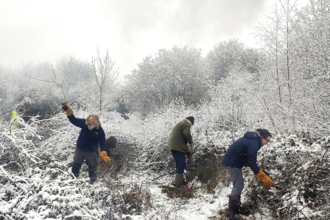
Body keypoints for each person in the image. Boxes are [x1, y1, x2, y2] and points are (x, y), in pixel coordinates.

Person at [222, 129, 275, 219]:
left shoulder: (253, 140)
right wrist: (264, 178)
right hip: (233, 162)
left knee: (239, 185)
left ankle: (236, 210)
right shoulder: (254, 142)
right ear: (262, 137)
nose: (267, 143)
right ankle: (231, 213)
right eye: (267, 140)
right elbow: (251, 162)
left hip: (235, 161)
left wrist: (262, 172)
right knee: (238, 185)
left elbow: (250, 159)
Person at [62, 103, 111, 184]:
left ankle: (93, 184)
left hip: (91, 152)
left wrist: (104, 154)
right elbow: (73, 120)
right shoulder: (84, 124)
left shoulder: (100, 130)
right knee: (75, 166)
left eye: (91, 121)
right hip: (80, 150)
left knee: (93, 168)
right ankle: (73, 181)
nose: (89, 122)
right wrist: (68, 110)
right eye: (89, 120)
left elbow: (102, 142)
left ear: (96, 121)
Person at [168, 116, 194, 190]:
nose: (191, 126)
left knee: (180, 164)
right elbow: (186, 133)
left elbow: (181, 142)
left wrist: (187, 151)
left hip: (173, 147)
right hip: (177, 148)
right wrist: (191, 141)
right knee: (181, 165)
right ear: (191, 122)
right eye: (191, 125)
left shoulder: (180, 124)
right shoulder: (186, 124)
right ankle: (179, 186)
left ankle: (179, 182)